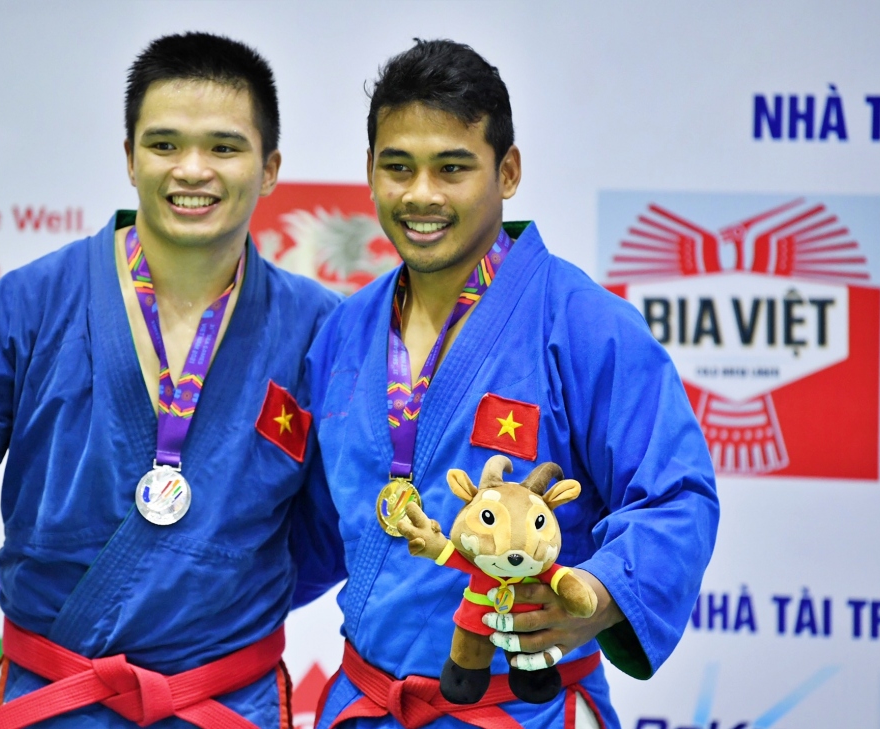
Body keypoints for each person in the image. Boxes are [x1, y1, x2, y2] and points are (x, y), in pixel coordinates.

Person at [0, 32, 344, 729]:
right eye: (164, 145)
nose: (192, 170)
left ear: (270, 166)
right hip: (54, 700)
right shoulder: (35, 301)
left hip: (223, 701)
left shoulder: (320, 328)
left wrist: (227, 589)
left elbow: (340, 519)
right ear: (129, 158)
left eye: (224, 147)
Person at [305, 39, 719, 729]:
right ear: (371, 173)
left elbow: (678, 497)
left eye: (453, 167)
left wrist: (598, 588)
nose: (422, 194)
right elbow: (310, 529)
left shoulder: (584, 324)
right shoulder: (344, 331)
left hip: (526, 709)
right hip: (368, 705)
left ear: (508, 171)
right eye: (398, 167)